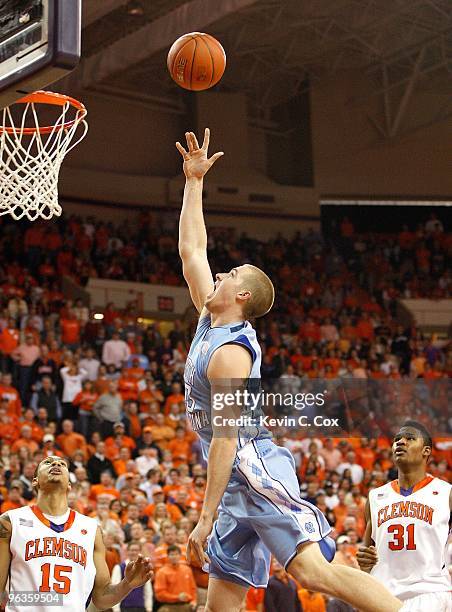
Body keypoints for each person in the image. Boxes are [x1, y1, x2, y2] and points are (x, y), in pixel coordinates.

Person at [176, 129, 404, 612]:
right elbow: (192, 252)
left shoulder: (231, 353)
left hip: (252, 469)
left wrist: (205, 512)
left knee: (312, 574)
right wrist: (194, 182)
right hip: (230, 477)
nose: (219, 273)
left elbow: (225, 438)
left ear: (241, 296)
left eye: (231, 274)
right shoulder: (208, 315)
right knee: (222, 602)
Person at [0, 455, 153, 612]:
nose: (56, 463)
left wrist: (127, 584)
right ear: (35, 480)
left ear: (69, 484)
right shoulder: (10, 522)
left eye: (62, 464)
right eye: (48, 462)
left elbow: (101, 598)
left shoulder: (92, 528)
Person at [357, 421, 451, 611]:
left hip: (430, 594)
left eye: (409, 438)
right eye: (397, 439)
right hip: (382, 596)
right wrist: (363, 560)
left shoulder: (446, 493)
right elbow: (366, 553)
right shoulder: (375, 497)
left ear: (426, 451)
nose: (400, 442)